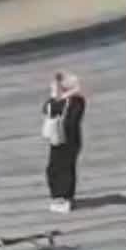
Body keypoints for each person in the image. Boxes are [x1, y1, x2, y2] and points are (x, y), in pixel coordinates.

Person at [42, 71, 85, 213]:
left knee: (65, 168)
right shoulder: (56, 100)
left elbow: (72, 121)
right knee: (52, 168)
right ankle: (57, 196)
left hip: (69, 141)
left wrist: (62, 100)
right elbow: (46, 109)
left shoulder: (77, 100)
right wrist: (54, 97)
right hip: (56, 139)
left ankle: (65, 197)